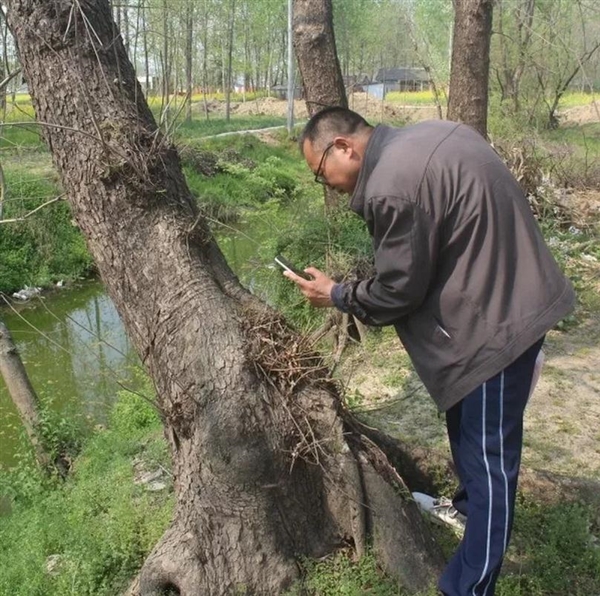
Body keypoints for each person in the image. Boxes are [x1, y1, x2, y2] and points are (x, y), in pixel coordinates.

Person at [284, 107, 575, 596]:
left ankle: (468, 586)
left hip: (495, 330)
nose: (326, 185)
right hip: (512, 293)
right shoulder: (432, 134)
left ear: (344, 147)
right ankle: (464, 510)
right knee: (466, 426)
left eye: (320, 173)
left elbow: (398, 291)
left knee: (489, 463)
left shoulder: (390, 185)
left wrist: (336, 294)